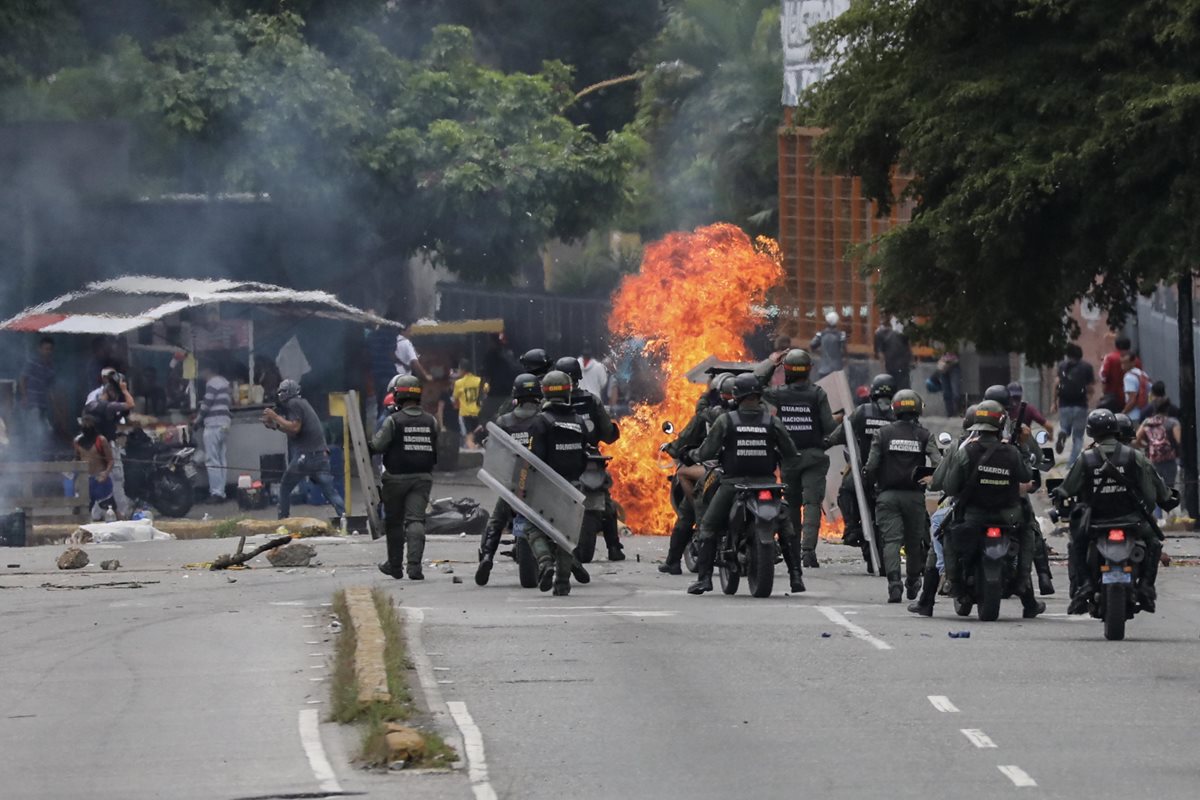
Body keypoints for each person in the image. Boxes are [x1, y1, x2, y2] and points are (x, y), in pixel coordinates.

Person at [684, 373, 807, 595]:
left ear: (736, 397)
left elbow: (707, 452)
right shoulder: (772, 421)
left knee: (708, 527)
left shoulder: (726, 420)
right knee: (786, 529)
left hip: (733, 485)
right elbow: (791, 452)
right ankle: (796, 576)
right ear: (759, 395)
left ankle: (704, 580)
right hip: (767, 485)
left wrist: (693, 453)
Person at [935, 400, 1045, 618]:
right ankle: (1023, 581)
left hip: (973, 516)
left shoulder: (966, 451)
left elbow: (949, 486)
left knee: (945, 533)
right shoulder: (1012, 452)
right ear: (1000, 423)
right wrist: (1022, 447)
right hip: (1008, 516)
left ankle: (953, 582)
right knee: (1028, 533)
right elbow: (1026, 476)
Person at [1056, 409, 1171, 614]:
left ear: (1091, 433)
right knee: (1153, 543)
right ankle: (1145, 586)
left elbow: (1067, 489)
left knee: (1076, 546)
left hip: (1095, 524)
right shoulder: (1135, 457)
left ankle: (1085, 585)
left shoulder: (1086, 458)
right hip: (1132, 522)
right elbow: (1151, 495)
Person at [754, 349, 837, 568]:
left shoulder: (779, 394)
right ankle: (808, 552)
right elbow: (829, 427)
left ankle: (792, 549)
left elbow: (755, 385)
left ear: (787, 370)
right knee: (811, 503)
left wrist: (772, 363)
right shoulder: (817, 394)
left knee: (791, 505)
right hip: (815, 457)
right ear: (809, 370)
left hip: (789, 458)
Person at [864, 389, 942, 603]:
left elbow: (871, 466)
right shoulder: (924, 435)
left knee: (891, 541)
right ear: (917, 409)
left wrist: (869, 484)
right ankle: (913, 581)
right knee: (914, 542)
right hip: (915, 498)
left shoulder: (883, 433)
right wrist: (932, 479)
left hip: (887, 497)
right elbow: (938, 463)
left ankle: (894, 583)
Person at [658, 373, 735, 574]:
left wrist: (677, 449)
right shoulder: (757, 414)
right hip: (750, 473)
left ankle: (675, 561)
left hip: (716, 471)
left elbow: (692, 441)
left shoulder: (714, 415)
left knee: (686, 511)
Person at [524, 371, 592, 596]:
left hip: (546, 485)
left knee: (531, 526)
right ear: (568, 391)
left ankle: (545, 563)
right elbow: (584, 457)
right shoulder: (579, 421)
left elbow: (535, 458)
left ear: (544, 391)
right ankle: (562, 582)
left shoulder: (540, 422)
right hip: (572, 485)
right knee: (566, 534)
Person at [370, 376, 439, 580]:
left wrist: (367, 445)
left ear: (398, 395)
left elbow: (378, 445)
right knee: (416, 520)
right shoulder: (431, 420)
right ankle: (414, 566)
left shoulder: (393, 420)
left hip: (395, 479)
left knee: (394, 522)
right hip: (422, 479)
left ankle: (395, 566)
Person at [475, 373, 542, 585]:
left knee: (496, 520)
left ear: (516, 394)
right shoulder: (543, 419)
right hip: (541, 484)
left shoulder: (504, 421)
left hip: (513, 485)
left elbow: (494, 448)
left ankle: (487, 556)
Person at [826, 373, 896, 572]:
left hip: (865, 472)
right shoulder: (899, 412)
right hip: (892, 473)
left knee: (846, 490)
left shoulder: (863, 411)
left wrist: (826, 442)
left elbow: (840, 433)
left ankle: (851, 527)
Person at [263, 379, 346, 521]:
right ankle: (346, 518)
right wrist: (275, 426)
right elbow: (294, 432)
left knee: (285, 486)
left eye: (282, 392)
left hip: (306, 456)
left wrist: (275, 417)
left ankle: (283, 519)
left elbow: (295, 427)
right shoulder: (301, 404)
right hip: (320, 455)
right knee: (329, 491)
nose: (280, 395)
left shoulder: (294, 403)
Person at [84, 370, 135, 518]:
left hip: (94, 448)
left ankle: (96, 514)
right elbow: (130, 404)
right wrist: (125, 391)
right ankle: (123, 512)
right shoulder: (108, 406)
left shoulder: (90, 404)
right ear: (111, 391)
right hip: (107, 447)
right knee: (117, 479)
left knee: (100, 479)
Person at [1136, 398, 1181, 515]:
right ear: (1167, 409)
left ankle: (1157, 518)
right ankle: (1169, 518)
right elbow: (1179, 441)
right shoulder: (1173, 423)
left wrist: (1146, 446)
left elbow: (1136, 439)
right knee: (1170, 489)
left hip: (1153, 460)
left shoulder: (1147, 422)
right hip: (1169, 460)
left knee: (1155, 489)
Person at [1052, 343, 1095, 465]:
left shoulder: (1062, 366)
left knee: (1065, 427)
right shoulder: (1087, 367)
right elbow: (1090, 387)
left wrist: (1054, 402)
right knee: (1078, 437)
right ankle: (1071, 464)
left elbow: (1056, 384)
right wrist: (1088, 397)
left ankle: (1063, 433)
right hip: (1080, 405)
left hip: (1064, 404)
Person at [196, 365, 233, 503]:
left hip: (214, 424)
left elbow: (206, 405)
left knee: (212, 459)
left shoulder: (212, 383)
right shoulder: (224, 383)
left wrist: (197, 419)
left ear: (208, 370)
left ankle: (216, 493)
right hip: (225, 423)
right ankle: (221, 492)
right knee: (221, 458)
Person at [74, 414, 116, 522]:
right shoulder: (77, 442)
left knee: (110, 509)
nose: (86, 426)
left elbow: (110, 460)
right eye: (84, 423)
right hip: (85, 480)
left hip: (100, 479)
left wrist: (105, 473)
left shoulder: (101, 440)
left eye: (89, 423)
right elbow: (77, 460)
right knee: (81, 512)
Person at [18, 336, 57, 436]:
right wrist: (24, 397)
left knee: (44, 430)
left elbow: (50, 387)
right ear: (39, 349)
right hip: (31, 402)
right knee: (34, 429)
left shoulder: (51, 366)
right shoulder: (32, 362)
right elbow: (22, 379)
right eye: (46, 349)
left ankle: (38, 449)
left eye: (50, 349)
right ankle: (31, 450)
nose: (48, 351)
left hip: (43, 403)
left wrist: (53, 403)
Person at [452, 360, 487, 449]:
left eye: (459, 369)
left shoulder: (459, 383)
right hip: (479, 413)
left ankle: (473, 455)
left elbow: (455, 401)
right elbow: (487, 389)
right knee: (479, 437)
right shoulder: (479, 381)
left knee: (469, 437)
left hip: (465, 414)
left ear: (463, 370)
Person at [1098, 335, 1136, 412]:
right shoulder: (1134, 360)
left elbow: (1103, 375)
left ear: (1116, 345)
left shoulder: (1110, 358)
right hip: (1131, 400)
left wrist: (1103, 392)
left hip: (1112, 398)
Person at [874, 321, 913, 391]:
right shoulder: (881, 333)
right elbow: (880, 354)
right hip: (893, 367)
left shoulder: (900, 330)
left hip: (901, 367)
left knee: (901, 389)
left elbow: (908, 346)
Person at [810, 311, 847, 379]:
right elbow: (843, 351)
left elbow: (812, 345)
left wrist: (820, 352)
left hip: (823, 368)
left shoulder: (821, 334)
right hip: (837, 369)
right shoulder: (841, 336)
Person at [1120, 350, 1152, 423]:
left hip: (1133, 416)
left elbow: (1132, 399)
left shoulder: (1128, 377)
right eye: (1121, 362)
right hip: (1144, 413)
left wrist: (1123, 413)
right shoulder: (1141, 373)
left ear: (1133, 362)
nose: (1123, 365)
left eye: (1125, 363)